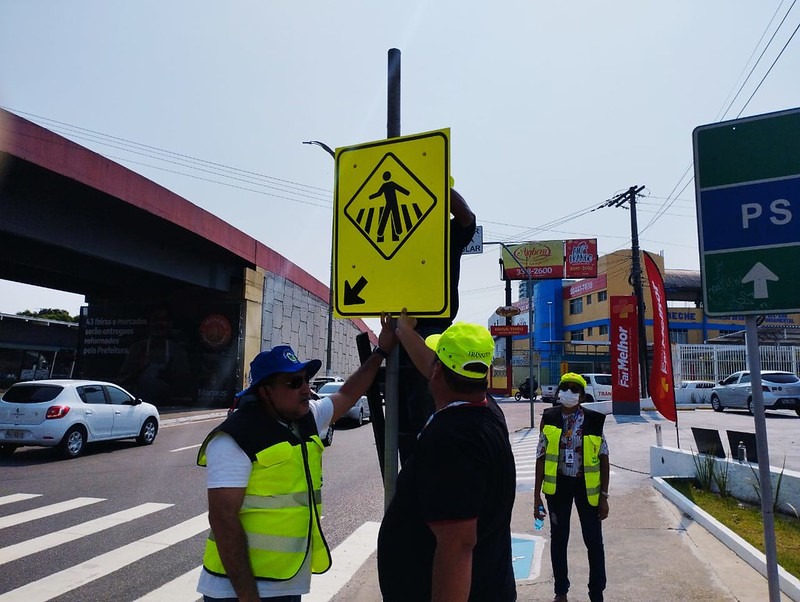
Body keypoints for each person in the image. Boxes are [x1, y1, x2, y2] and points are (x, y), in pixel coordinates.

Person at [196, 313, 396, 602]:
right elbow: (223, 518)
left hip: (288, 581)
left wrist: (381, 352)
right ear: (265, 391)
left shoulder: (305, 417)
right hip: (238, 591)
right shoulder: (234, 437)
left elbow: (348, 394)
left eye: (305, 379)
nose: (306, 388)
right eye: (293, 383)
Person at [378, 310, 517, 602]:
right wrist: (403, 331)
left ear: (439, 372)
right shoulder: (486, 411)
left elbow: (458, 546)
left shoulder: (452, 440)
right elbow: (432, 365)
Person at [397, 186, 477, 464]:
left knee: (428, 410)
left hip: (433, 329)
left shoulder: (449, 234)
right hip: (399, 330)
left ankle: (431, 471)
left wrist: (432, 178)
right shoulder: (401, 232)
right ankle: (410, 476)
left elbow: (466, 217)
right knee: (402, 420)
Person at [533, 372, 610, 602]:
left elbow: (604, 457)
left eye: (574, 389)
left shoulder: (594, 420)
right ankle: (561, 591)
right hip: (558, 487)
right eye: (565, 387)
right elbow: (541, 454)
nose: (568, 392)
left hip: (586, 488)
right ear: (558, 392)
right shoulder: (549, 417)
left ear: (582, 396)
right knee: (559, 539)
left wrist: (604, 496)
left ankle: (596, 593)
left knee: (593, 540)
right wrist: (536, 496)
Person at [118, 305, 193, 405]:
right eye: (156, 319)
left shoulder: (177, 351)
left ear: (170, 324)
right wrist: (139, 370)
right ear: (150, 323)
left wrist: (169, 376)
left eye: (163, 319)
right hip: (140, 403)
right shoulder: (137, 349)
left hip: (169, 404)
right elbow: (122, 380)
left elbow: (186, 384)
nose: (159, 323)